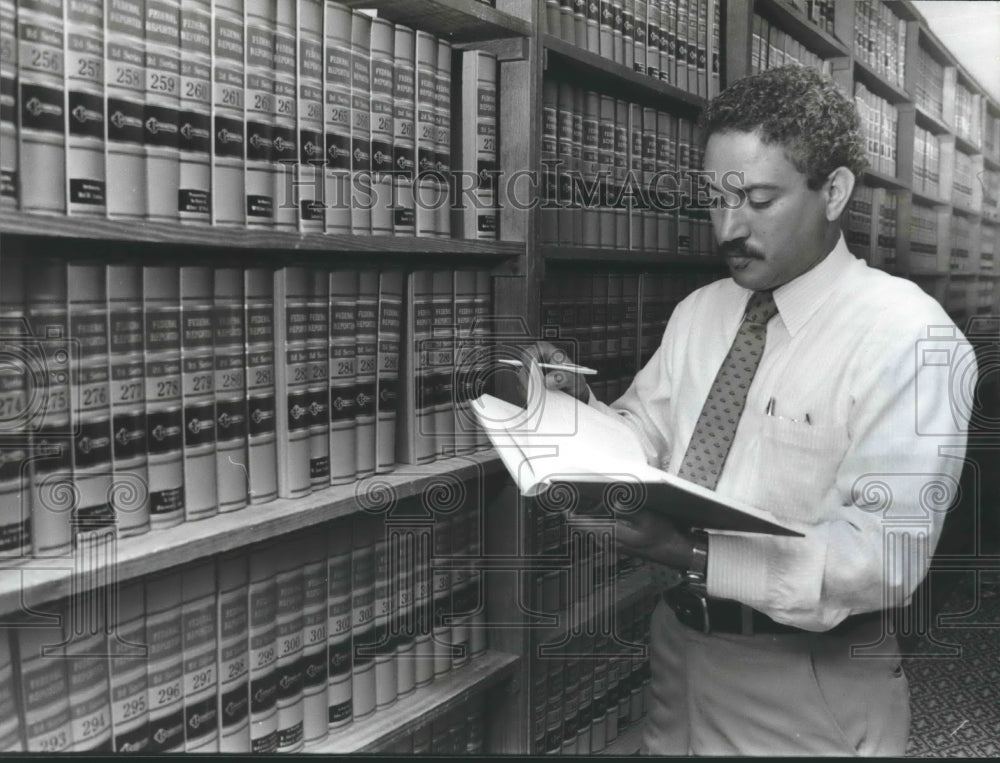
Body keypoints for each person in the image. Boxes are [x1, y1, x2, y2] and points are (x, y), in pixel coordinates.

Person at [534, 65, 976, 755]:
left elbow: (884, 556)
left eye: (758, 200)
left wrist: (687, 550)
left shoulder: (915, 341)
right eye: (715, 198)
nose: (729, 227)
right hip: (679, 650)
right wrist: (574, 409)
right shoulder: (701, 312)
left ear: (834, 192)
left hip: (808, 676)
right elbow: (645, 431)